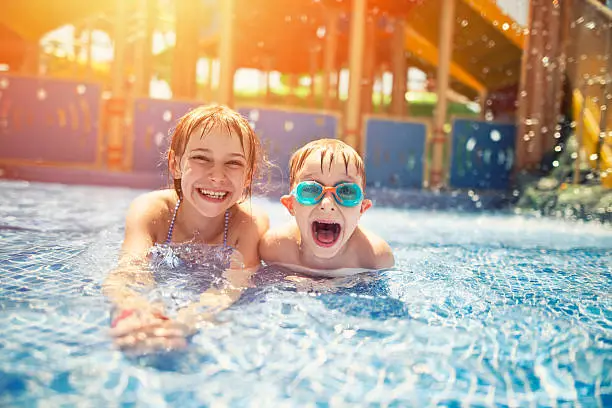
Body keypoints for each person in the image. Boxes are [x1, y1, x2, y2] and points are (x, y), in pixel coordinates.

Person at [103, 104, 269, 354]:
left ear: (248, 176)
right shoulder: (152, 211)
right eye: (201, 158)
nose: (217, 176)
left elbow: (232, 286)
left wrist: (187, 321)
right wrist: (137, 308)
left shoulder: (248, 224)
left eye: (233, 163)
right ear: (175, 163)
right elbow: (129, 269)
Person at [259, 139, 394, 278]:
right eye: (311, 189)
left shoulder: (375, 260)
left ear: (362, 209)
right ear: (291, 205)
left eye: (346, 191)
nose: (327, 204)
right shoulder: (274, 249)